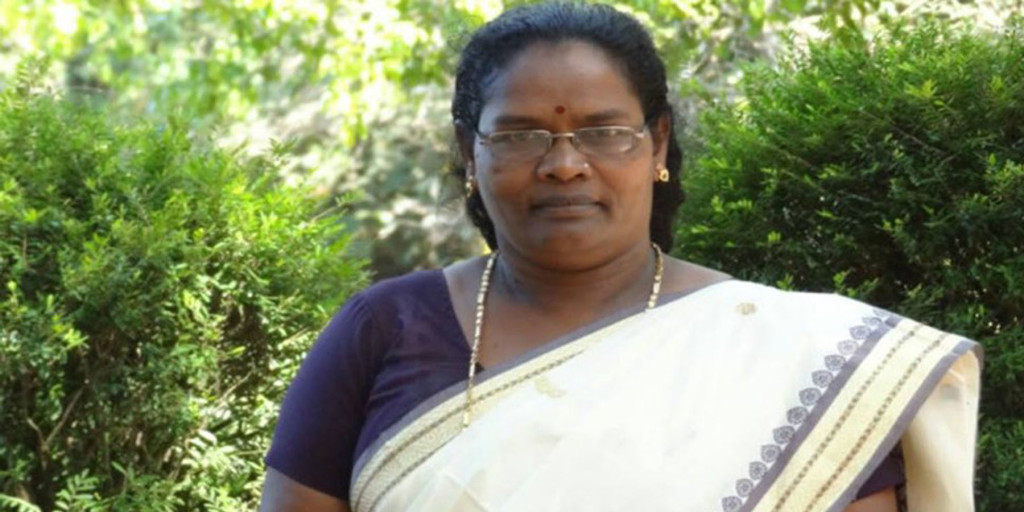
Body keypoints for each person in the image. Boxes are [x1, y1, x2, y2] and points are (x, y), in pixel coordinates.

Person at [259, 3, 981, 511]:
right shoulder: (383, 328)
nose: (564, 165)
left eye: (605, 132)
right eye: (519, 135)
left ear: (657, 143)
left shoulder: (782, 353)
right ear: (468, 154)